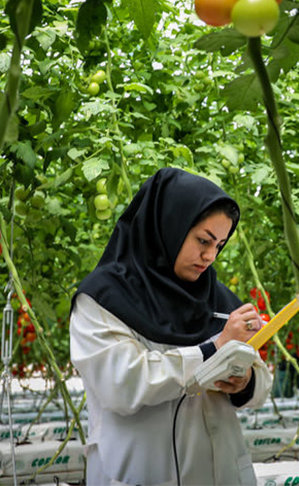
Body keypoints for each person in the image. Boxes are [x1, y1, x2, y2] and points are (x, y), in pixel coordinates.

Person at [69, 167, 271, 486]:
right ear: (168, 225)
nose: (209, 256)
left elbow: (260, 381)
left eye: (218, 245)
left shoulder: (217, 299)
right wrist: (213, 352)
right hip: (140, 472)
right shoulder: (103, 299)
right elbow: (122, 384)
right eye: (203, 240)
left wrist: (245, 380)